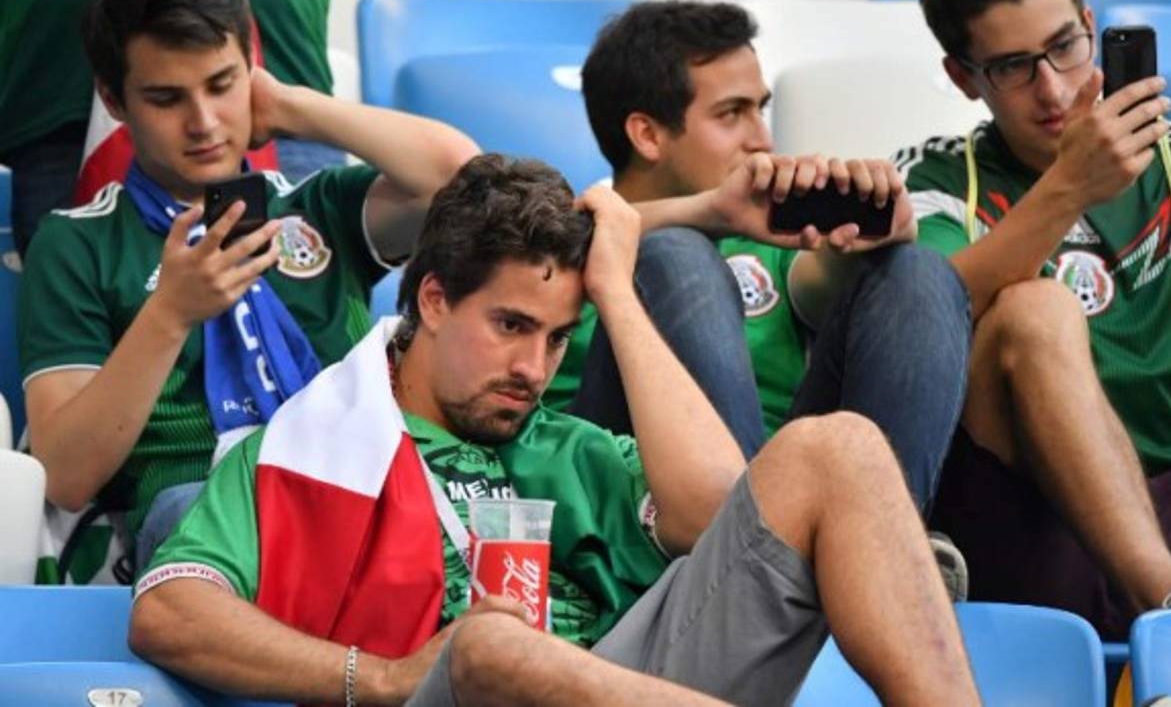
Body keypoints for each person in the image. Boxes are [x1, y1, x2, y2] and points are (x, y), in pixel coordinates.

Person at [129, 154, 980, 706]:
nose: (534, 369)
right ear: (431, 301)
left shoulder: (565, 446)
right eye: (509, 326)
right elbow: (169, 612)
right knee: (494, 646)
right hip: (452, 690)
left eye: (557, 337)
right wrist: (381, 678)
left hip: (633, 683)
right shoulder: (318, 440)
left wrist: (615, 291)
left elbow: (719, 512)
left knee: (841, 448)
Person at [17, 0, 477, 582]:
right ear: (115, 102)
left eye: (222, 84)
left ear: (251, 69)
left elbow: (465, 178)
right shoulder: (78, 242)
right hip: (192, 527)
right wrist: (170, 315)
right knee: (201, 510)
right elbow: (65, 474)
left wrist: (290, 105)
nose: (204, 121)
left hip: (354, 490)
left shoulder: (317, 209)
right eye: (166, 98)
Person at [899, 0, 1171, 639]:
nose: (1050, 90)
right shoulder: (939, 179)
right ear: (962, 76)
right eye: (1013, 67)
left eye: (1064, 48)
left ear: (1088, 22)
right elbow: (924, 309)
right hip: (1038, 522)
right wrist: (1069, 187)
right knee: (1035, 312)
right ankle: (1170, 611)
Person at [543, 0, 972, 515]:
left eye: (760, 109)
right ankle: (746, 546)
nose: (762, 139)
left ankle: (887, 541)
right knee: (675, 252)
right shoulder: (563, 246)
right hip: (640, 509)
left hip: (795, 504)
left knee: (915, 268)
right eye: (732, 114)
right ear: (648, 134)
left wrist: (877, 237)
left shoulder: (763, 234)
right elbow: (557, 240)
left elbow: (816, 289)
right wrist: (705, 213)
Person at [0, 0, 431, 256]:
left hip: (273, 92)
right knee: (88, 326)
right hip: (54, 93)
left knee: (305, 323)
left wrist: (285, 104)